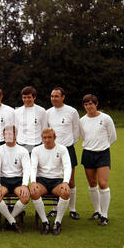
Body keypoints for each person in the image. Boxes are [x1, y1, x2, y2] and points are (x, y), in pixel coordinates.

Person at [79, 94, 117, 226]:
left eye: (91, 104)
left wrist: (102, 147)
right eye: (86, 104)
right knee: (92, 183)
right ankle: (97, 211)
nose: (89, 107)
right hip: (88, 153)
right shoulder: (82, 120)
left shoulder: (106, 118)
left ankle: (104, 215)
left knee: (102, 183)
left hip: (103, 154)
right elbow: (83, 137)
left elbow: (112, 137)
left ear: (96, 104)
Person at [46, 87, 81, 220]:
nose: (53, 98)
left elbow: (76, 131)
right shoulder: (47, 112)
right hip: (51, 150)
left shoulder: (72, 111)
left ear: (63, 97)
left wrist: (68, 144)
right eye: (52, 96)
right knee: (54, 179)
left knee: (70, 180)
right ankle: (54, 209)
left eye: (56, 96)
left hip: (67, 149)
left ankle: (72, 209)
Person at [30, 128, 72, 235]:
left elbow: (67, 166)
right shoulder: (36, 150)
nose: (47, 140)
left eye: (49, 137)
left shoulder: (62, 149)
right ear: (42, 138)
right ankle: (45, 222)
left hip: (57, 181)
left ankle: (57, 222)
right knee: (34, 192)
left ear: (55, 137)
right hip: (42, 180)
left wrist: (65, 182)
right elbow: (33, 167)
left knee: (66, 192)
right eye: (44, 137)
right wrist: (33, 182)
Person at [0, 125, 29, 233]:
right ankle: (12, 222)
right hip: (3, 180)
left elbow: (27, 169)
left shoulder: (23, 151)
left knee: (26, 197)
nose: (8, 136)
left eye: (10, 134)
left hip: (18, 180)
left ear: (15, 135)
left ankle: (9, 220)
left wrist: (24, 185)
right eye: (6, 134)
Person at [14, 86, 47, 154]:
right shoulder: (17, 112)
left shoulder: (41, 111)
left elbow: (44, 129)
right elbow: (16, 130)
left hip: (36, 145)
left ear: (34, 97)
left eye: (29, 97)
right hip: (21, 145)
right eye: (24, 97)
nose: (26, 100)